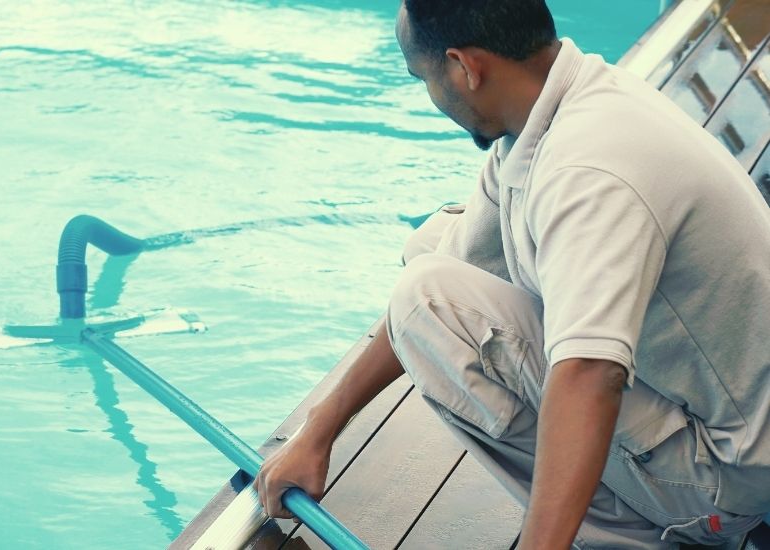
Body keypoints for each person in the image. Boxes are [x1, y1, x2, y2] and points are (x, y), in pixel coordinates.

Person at [254, 0, 770, 548]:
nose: (432, 99)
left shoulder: (586, 171)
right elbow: (455, 261)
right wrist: (318, 432)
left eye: (425, 79)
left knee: (424, 300)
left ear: (464, 67)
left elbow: (591, 375)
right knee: (432, 249)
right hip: (729, 419)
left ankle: (640, 537)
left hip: (731, 474)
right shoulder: (567, 104)